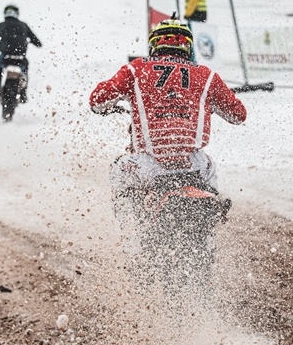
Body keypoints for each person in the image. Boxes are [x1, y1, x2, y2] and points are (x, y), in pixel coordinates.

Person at [89, 16, 246, 207]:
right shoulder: (207, 75)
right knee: (210, 168)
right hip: (195, 164)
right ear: (188, 45)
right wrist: (210, 105)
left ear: (154, 43)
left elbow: (97, 100)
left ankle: (131, 222)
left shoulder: (137, 69)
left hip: (149, 164)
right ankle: (213, 204)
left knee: (119, 169)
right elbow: (238, 115)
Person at [0, 4, 42, 102]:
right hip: (20, 59)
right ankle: (23, 94)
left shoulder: (1, 25)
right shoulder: (24, 25)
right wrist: (28, 40)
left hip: (5, 58)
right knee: (25, 69)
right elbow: (38, 43)